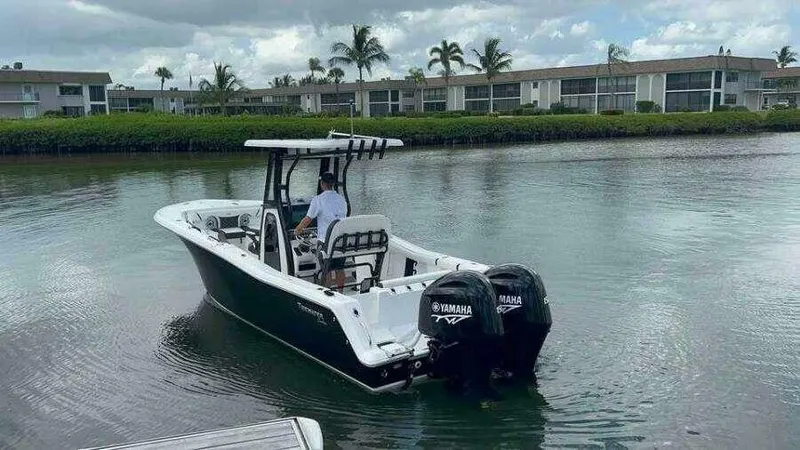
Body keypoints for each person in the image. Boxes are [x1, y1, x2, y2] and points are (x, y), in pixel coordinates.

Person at [294, 172, 348, 291]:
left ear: (322, 184)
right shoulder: (342, 199)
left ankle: (327, 292)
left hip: (326, 242)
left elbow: (307, 219)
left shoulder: (318, 200)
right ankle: (341, 292)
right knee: (340, 268)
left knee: (326, 269)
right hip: (341, 241)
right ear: (333, 184)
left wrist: (297, 230)